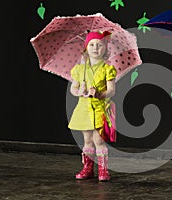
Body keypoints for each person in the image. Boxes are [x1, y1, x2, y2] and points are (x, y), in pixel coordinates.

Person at [68, 31, 117, 181]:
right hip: (84, 109)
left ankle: (103, 170)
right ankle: (87, 168)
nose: (95, 48)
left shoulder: (107, 69)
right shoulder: (80, 70)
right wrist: (79, 91)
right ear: (86, 48)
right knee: (87, 140)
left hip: (99, 109)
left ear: (105, 49)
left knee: (99, 140)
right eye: (92, 45)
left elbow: (111, 91)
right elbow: (73, 89)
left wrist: (99, 94)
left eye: (99, 45)